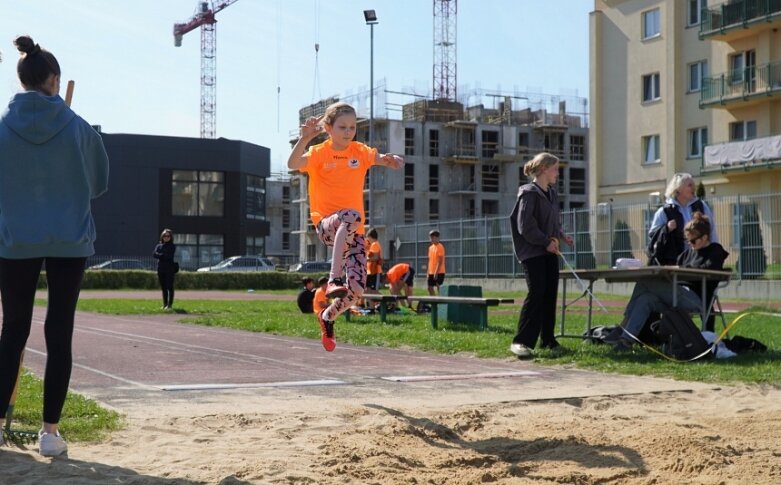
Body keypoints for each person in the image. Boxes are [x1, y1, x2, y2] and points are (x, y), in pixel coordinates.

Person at [0, 36, 109, 456]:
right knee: (58, 331)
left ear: (22, 80)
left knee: (12, 331)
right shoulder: (79, 128)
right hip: (69, 238)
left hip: (14, 239)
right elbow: (99, 185)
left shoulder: (3, 128)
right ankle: (49, 433)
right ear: (53, 80)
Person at [287, 101, 404, 352]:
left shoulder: (358, 151)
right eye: (342, 127)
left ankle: (328, 316)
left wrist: (391, 159)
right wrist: (304, 139)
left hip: (354, 233)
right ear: (328, 128)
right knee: (351, 215)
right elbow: (292, 164)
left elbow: (379, 157)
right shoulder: (319, 153)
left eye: (352, 127)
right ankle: (333, 278)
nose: (348, 131)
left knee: (358, 290)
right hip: (327, 225)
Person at [612, 213, 728, 351]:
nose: (690, 245)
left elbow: (708, 269)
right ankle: (625, 341)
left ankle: (622, 326)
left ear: (704, 237)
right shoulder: (686, 254)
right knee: (645, 299)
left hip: (695, 298)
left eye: (693, 241)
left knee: (644, 281)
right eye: (688, 241)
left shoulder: (715, 250)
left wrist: (682, 271)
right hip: (676, 294)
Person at [508, 153, 573, 359]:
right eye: (555, 168)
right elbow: (525, 226)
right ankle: (521, 342)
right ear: (544, 169)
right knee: (537, 293)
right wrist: (546, 242)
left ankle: (548, 340)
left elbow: (551, 221)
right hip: (532, 253)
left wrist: (561, 236)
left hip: (549, 252)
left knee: (549, 295)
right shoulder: (528, 193)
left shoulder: (552, 194)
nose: (557, 173)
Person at [648, 172, 718, 265]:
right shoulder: (664, 211)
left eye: (693, 184)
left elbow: (712, 231)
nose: (694, 188)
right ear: (678, 189)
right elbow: (653, 235)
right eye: (690, 185)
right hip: (675, 263)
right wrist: (666, 228)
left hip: (700, 260)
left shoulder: (701, 206)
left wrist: (715, 254)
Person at [153, 229, 177, 310]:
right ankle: (165, 304)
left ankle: (169, 305)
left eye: (168, 236)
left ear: (171, 237)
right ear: (162, 237)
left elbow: (168, 256)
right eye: (164, 236)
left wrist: (160, 255)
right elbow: (154, 254)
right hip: (160, 269)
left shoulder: (172, 246)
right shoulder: (158, 246)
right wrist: (162, 255)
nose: (166, 237)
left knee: (169, 287)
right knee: (163, 288)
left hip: (169, 269)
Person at [365, 228, 383, 300]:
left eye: (367, 237)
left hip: (375, 271)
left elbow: (375, 258)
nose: (367, 239)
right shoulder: (372, 245)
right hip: (370, 271)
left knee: (374, 291)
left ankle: (389, 301)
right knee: (368, 290)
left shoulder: (375, 244)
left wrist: (365, 259)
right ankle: (371, 308)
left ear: (370, 236)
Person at [426, 230, 446, 296]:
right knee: (429, 287)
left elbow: (440, 261)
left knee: (438, 286)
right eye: (430, 237)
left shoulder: (440, 247)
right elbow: (430, 260)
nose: (431, 239)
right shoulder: (430, 248)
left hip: (439, 271)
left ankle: (441, 301)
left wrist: (436, 272)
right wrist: (428, 272)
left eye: (433, 237)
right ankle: (434, 302)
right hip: (431, 271)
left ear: (437, 238)